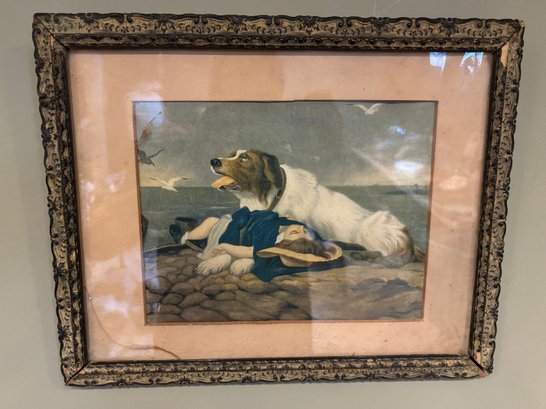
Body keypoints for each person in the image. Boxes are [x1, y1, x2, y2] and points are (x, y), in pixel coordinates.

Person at [181, 207, 343, 281]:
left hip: (239, 231)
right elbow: (326, 245)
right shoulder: (310, 238)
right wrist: (288, 219)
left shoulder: (267, 244)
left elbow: (245, 251)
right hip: (254, 221)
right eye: (304, 232)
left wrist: (224, 247)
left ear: (283, 242)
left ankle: (187, 237)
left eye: (295, 233)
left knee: (211, 222)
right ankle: (190, 236)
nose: (300, 229)